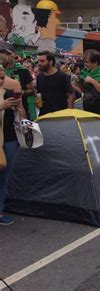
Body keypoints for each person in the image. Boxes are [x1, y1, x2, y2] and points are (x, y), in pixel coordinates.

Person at [0, 65, 26, 225]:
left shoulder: (9, 93)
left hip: (9, 140)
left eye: (2, 77)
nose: (1, 80)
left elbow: (21, 115)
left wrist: (19, 109)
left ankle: (0, 211)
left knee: (3, 177)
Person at [0, 43, 35, 120]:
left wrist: (20, 92)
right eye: (3, 54)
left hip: (15, 113)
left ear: (15, 54)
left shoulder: (23, 70)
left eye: (8, 53)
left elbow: (32, 91)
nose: (6, 56)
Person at [36, 51, 74, 116]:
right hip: (44, 114)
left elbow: (70, 96)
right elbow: (39, 94)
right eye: (38, 61)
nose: (39, 63)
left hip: (60, 114)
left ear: (50, 62)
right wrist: (37, 101)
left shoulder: (62, 76)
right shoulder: (39, 77)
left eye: (42, 61)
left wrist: (69, 114)